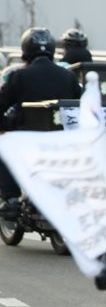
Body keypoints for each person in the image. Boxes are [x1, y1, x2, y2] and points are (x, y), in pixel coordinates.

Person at [0, 27, 81, 219]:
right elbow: (82, 104)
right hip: (63, 143)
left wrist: (6, 124)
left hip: (28, 142)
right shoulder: (68, 76)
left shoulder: (19, 76)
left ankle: (11, 199)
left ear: (25, 50)